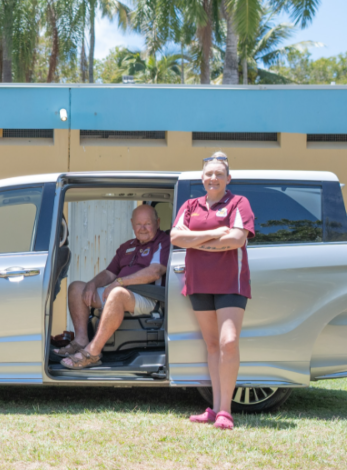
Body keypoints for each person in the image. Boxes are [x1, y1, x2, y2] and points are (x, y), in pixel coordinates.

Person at [170, 151, 254, 431]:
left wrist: (197, 241)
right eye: (209, 174)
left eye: (219, 174)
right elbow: (176, 237)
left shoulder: (239, 203)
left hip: (232, 282)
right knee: (212, 345)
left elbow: (236, 239)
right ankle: (216, 409)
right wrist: (216, 232)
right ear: (202, 178)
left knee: (228, 342)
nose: (213, 178)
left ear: (228, 178)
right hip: (199, 282)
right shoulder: (191, 205)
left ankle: (225, 412)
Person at [54, 204, 170, 370]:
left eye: (147, 223)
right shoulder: (127, 246)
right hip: (123, 292)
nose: (142, 228)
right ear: (132, 224)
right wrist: (92, 284)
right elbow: (109, 274)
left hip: (149, 296)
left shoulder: (163, 242)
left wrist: (120, 283)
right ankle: (81, 341)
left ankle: (93, 353)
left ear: (157, 222)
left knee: (116, 293)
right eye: (138, 224)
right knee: (76, 288)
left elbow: (155, 272)